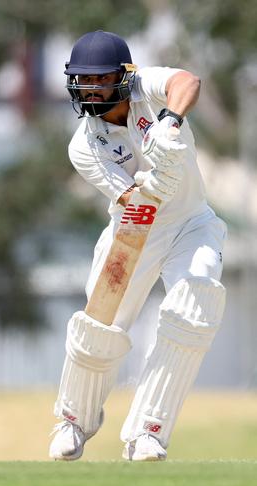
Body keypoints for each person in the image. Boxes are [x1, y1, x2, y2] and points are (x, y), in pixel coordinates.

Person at [49, 30, 227, 461]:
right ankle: (74, 420)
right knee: (101, 322)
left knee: (194, 306)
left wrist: (170, 121)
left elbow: (188, 82)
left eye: (100, 80)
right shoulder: (83, 146)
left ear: (123, 77)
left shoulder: (146, 85)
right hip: (135, 226)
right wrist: (155, 183)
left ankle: (148, 432)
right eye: (82, 81)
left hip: (191, 222)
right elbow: (130, 199)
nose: (90, 89)